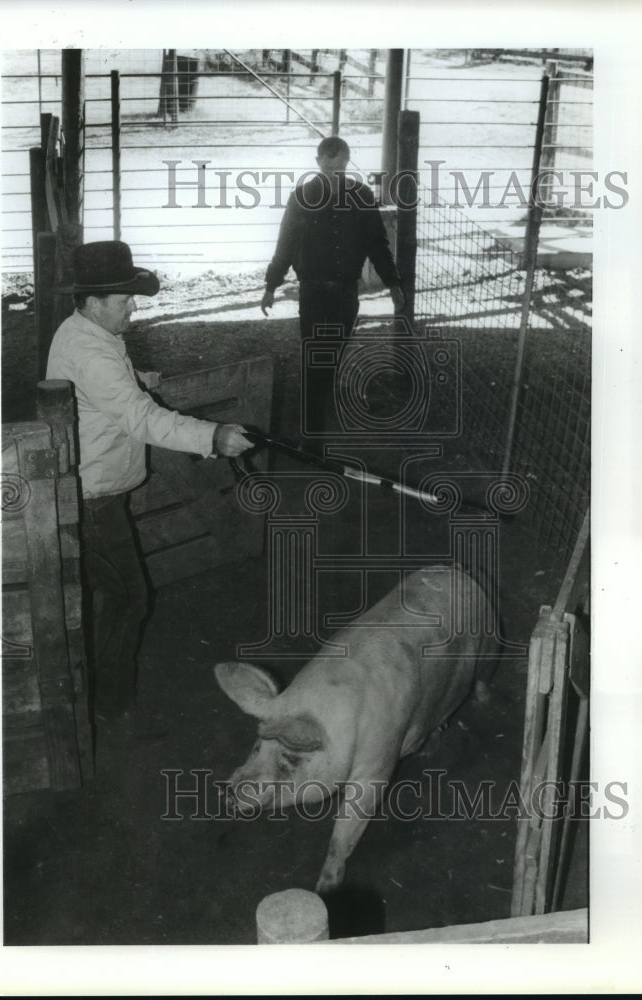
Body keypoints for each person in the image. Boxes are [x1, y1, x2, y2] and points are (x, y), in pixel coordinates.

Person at [47, 240, 253, 727]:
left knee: (114, 596)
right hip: (92, 498)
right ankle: (108, 704)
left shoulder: (83, 332)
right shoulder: (92, 351)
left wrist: (137, 376)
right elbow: (141, 420)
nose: (134, 308)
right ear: (95, 302)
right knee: (127, 598)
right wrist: (213, 436)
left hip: (95, 490)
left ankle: (97, 692)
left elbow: (106, 384)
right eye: (125, 301)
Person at [260, 136, 406, 439]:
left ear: (347, 164)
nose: (333, 173)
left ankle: (319, 403)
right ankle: (312, 426)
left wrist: (392, 283)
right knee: (315, 354)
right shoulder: (301, 197)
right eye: (328, 166)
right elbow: (285, 244)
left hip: (345, 293)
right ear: (318, 163)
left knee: (334, 352)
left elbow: (377, 243)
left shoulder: (362, 196)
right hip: (312, 291)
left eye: (339, 167)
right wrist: (271, 285)